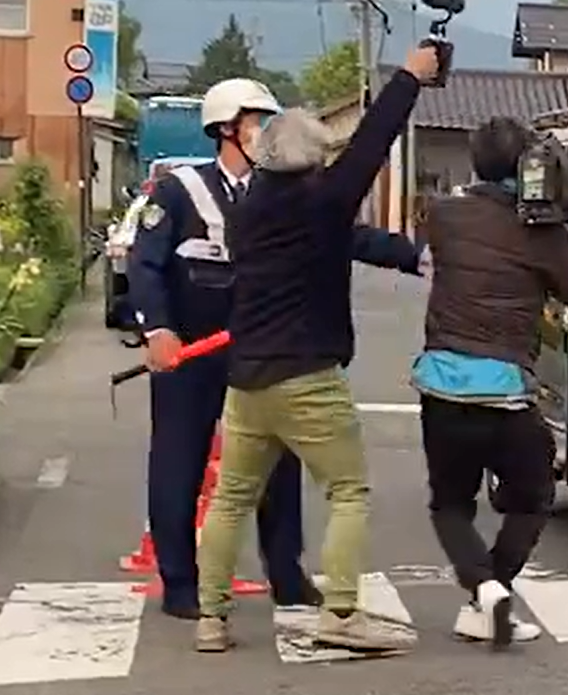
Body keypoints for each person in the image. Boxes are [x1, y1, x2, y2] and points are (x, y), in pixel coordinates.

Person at [190, 47, 439, 654]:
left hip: (247, 377)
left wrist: (408, 256)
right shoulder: (324, 203)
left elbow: (347, 230)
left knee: (231, 498)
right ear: (313, 160)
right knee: (348, 490)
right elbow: (373, 141)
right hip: (308, 375)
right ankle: (341, 614)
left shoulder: (246, 212)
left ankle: (211, 618)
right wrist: (409, 77)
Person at [127, 78, 315, 620]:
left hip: (259, 351)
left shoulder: (280, 192)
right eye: (257, 123)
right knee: (179, 463)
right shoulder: (177, 191)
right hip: (189, 352)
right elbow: (145, 265)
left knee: (279, 463)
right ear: (227, 128)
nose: (265, 134)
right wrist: (157, 330)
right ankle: (180, 583)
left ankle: (287, 575)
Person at [411, 117, 568, 649]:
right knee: (533, 498)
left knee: (450, 503)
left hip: (442, 386)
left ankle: (483, 591)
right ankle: (493, 586)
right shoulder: (541, 233)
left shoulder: (443, 215)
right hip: (505, 393)